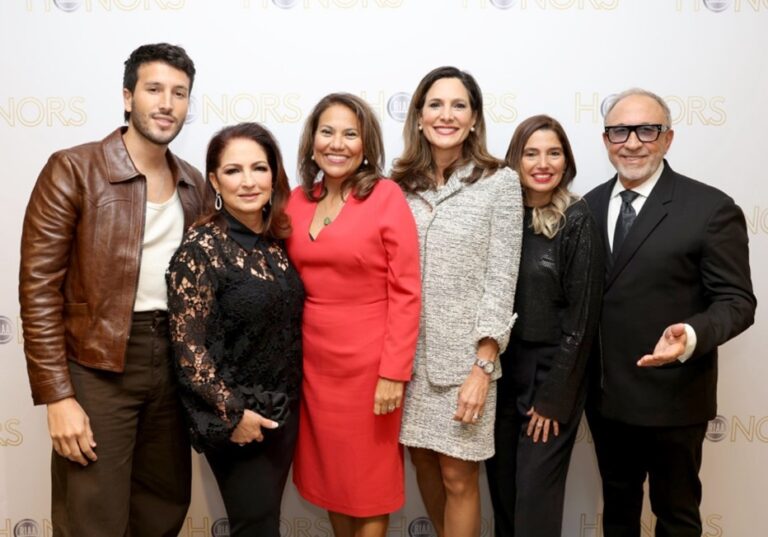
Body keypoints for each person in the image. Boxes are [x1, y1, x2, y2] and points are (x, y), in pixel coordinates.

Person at [18, 43, 209, 536]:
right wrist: (58, 397)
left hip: (173, 364)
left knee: (163, 510)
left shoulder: (194, 184)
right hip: (96, 365)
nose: (167, 103)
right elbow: (38, 290)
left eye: (179, 93)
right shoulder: (74, 169)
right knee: (92, 516)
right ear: (128, 98)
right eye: (154, 90)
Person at [584, 88, 756, 537]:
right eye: (620, 130)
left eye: (648, 129)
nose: (633, 142)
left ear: (668, 139)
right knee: (618, 513)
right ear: (606, 140)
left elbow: (738, 302)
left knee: (677, 516)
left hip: (675, 398)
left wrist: (692, 334)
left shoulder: (710, 208)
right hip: (606, 400)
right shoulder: (587, 207)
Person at [392, 66, 523, 537]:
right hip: (404, 360)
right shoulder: (399, 184)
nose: (446, 115)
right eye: (435, 104)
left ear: (474, 120)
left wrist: (483, 366)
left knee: (458, 475)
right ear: (420, 117)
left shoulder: (500, 183)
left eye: (458, 105)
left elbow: (502, 278)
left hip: (466, 364)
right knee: (423, 465)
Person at [285, 93, 421, 537]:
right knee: (332, 478)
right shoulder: (297, 199)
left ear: (366, 145)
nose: (337, 143)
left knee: (368, 483)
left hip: (369, 365)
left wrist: (393, 372)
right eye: (327, 132)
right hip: (313, 364)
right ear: (312, 140)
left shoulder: (385, 196)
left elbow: (406, 290)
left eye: (350, 133)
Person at [167, 122, 304, 537]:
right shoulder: (200, 249)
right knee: (255, 527)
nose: (248, 182)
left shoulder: (276, 243)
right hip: (239, 420)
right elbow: (189, 352)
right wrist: (234, 414)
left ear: (274, 175)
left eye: (259, 168)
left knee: (264, 524)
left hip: (283, 412)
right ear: (214, 180)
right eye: (233, 170)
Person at [485, 115, 604, 537]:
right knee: (504, 499)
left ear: (566, 161)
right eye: (531, 153)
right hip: (498, 375)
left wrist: (556, 397)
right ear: (514, 160)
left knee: (535, 506)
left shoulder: (577, 219)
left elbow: (582, 317)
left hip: (552, 374)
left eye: (554, 153)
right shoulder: (500, 217)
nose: (543, 163)